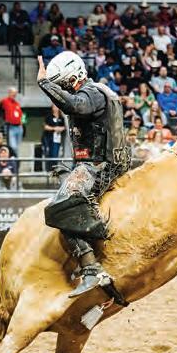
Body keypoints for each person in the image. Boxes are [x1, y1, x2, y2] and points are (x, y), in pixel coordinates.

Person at [37, 51, 130, 298]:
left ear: (72, 77)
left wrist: (45, 84)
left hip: (102, 164)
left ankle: (91, 267)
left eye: (62, 84)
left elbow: (75, 104)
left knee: (62, 208)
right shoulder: (92, 93)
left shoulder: (93, 93)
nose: (62, 90)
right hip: (95, 162)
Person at [0, 87, 23, 155]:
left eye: (15, 93)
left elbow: (20, 115)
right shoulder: (5, 101)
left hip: (19, 127)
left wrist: (21, 123)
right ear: (9, 93)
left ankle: (15, 159)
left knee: (17, 147)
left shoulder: (16, 103)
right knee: (13, 146)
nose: (14, 95)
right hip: (11, 127)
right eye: (13, 93)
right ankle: (14, 159)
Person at [42, 105, 66, 171]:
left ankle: (54, 169)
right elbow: (45, 126)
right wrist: (54, 128)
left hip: (57, 139)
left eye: (57, 107)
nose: (55, 108)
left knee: (55, 154)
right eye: (54, 107)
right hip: (49, 138)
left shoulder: (61, 118)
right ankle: (48, 169)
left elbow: (64, 127)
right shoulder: (49, 117)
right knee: (49, 153)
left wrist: (60, 128)